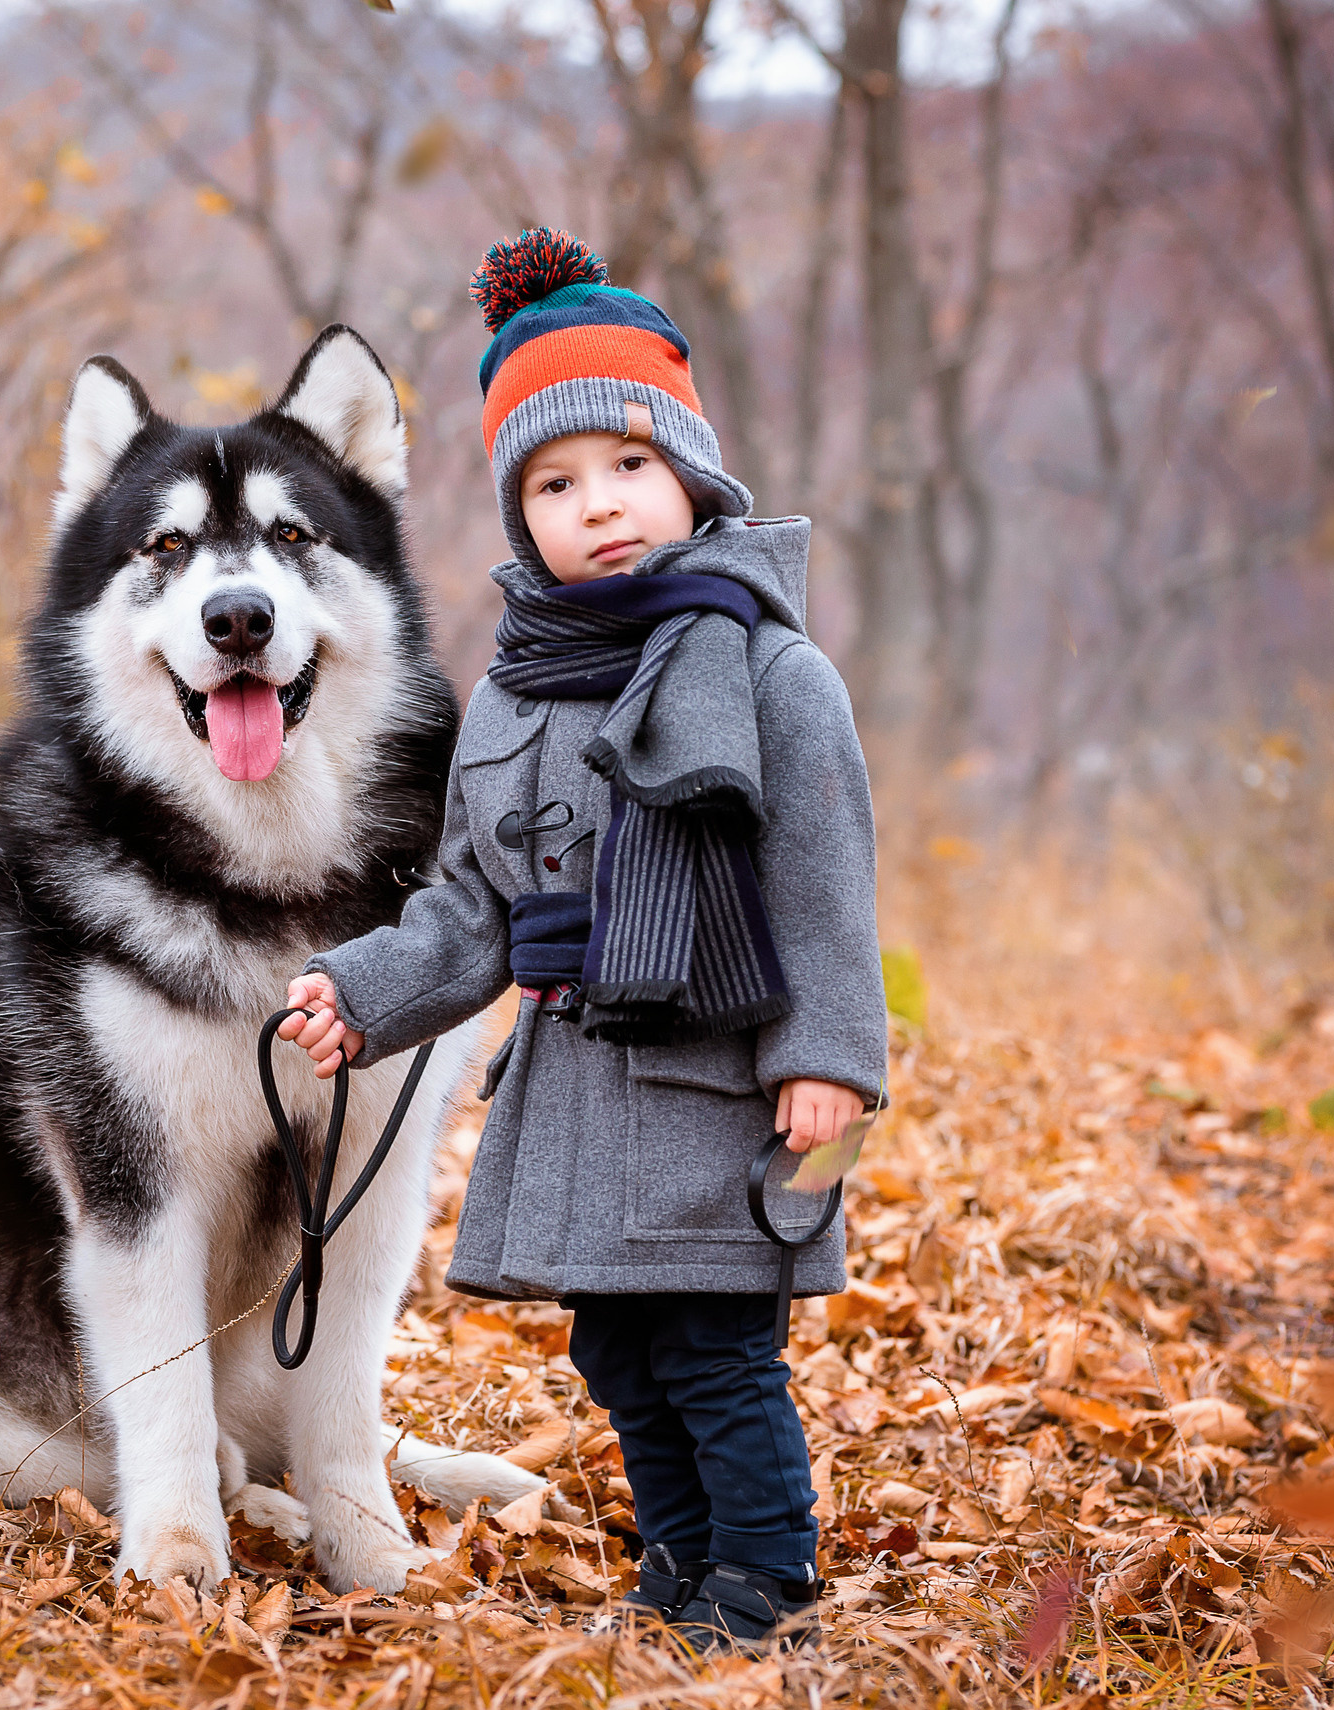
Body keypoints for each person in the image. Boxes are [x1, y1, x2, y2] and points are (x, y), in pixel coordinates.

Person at [279, 230, 886, 1652]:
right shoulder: (512, 694)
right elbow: (472, 907)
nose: (599, 506)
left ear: (690, 473)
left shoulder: (774, 671)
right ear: (519, 514)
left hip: (731, 1082)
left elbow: (827, 887)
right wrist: (363, 992)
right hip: (581, 1088)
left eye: (627, 467)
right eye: (556, 485)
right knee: (617, 1347)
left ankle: (764, 1580)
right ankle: (676, 1563)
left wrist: (833, 1067)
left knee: (722, 1351)